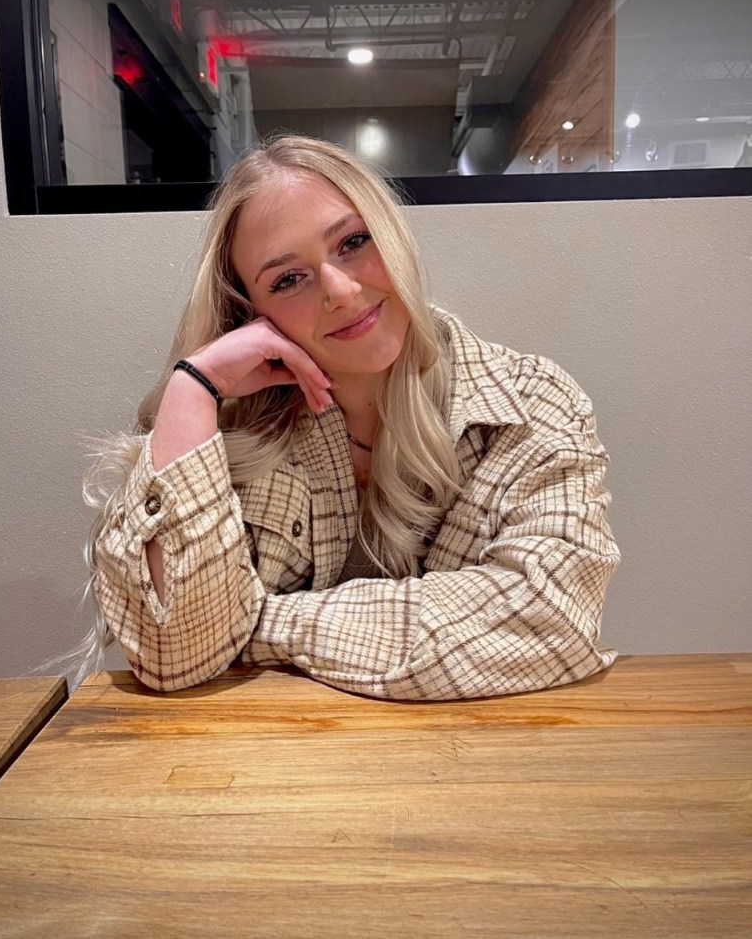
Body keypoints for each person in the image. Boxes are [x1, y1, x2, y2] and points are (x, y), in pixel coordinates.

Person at [87, 135, 620, 699]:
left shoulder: (532, 402)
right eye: (287, 279)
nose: (340, 291)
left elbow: (552, 618)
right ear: (250, 311)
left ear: (392, 234)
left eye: (353, 242)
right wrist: (193, 389)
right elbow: (175, 656)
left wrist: (254, 623)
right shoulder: (224, 434)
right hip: (266, 748)